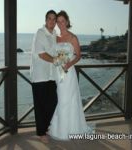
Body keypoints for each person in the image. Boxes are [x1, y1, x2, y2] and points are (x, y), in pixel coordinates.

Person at [48, 10, 92, 140]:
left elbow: (78, 55)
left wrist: (69, 64)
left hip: (68, 73)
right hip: (57, 73)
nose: (60, 24)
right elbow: (54, 55)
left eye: (63, 21)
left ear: (67, 22)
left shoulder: (73, 37)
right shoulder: (56, 37)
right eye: (58, 21)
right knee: (60, 99)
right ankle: (61, 128)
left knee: (66, 100)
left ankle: (68, 129)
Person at [30, 10, 58, 143]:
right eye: (49, 19)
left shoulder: (54, 35)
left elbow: (56, 52)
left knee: (53, 102)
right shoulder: (40, 33)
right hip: (40, 76)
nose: (52, 21)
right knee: (40, 106)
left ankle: (45, 127)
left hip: (51, 75)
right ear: (46, 20)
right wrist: (57, 61)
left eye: (54, 19)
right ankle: (41, 133)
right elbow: (41, 54)